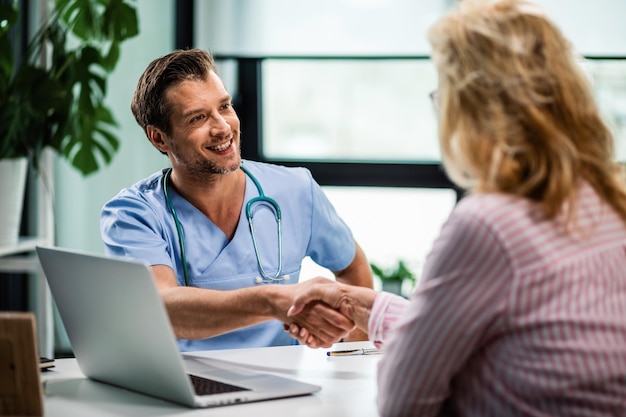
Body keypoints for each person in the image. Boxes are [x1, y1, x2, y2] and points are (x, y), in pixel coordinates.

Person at [287, 1, 626, 416]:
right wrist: (360, 304)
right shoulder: (606, 200)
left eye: (443, 90)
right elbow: (511, 327)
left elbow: (405, 402)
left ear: (475, 105)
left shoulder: (489, 224)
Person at [100, 48, 372, 352]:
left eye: (225, 106)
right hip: (189, 386)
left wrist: (352, 357)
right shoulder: (133, 213)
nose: (223, 127)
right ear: (159, 138)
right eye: (198, 118)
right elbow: (160, 307)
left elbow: (353, 269)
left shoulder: (296, 190)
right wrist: (274, 301)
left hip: (285, 386)